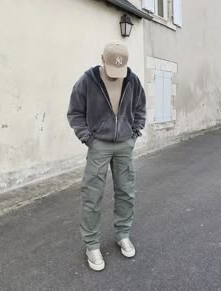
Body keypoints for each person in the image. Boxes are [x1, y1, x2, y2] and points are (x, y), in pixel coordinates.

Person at [67, 41, 146, 271]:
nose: (116, 75)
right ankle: (91, 244)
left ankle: (123, 233)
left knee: (126, 191)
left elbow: (140, 108)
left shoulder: (132, 80)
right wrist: (89, 139)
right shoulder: (87, 81)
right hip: (99, 145)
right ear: (102, 59)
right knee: (92, 194)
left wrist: (134, 133)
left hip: (124, 145)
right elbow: (75, 112)